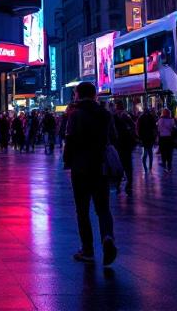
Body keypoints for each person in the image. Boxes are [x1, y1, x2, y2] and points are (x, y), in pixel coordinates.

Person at [64, 82, 117, 265]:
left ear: (78, 95)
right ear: (95, 95)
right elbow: (114, 138)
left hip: (80, 168)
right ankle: (107, 236)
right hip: (101, 167)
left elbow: (69, 140)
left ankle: (88, 250)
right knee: (103, 208)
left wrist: (67, 162)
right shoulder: (105, 114)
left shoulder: (75, 115)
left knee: (82, 210)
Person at [111, 101, 138, 195]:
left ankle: (119, 184)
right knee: (127, 165)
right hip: (126, 144)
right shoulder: (126, 115)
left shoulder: (114, 117)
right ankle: (128, 183)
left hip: (118, 145)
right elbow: (133, 126)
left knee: (119, 164)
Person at [136, 105, 157, 175]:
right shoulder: (151, 117)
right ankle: (150, 166)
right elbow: (154, 127)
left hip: (144, 138)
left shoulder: (141, 118)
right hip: (150, 137)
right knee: (150, 152)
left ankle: (145, 166)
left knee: (145, 152)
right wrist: (154, 137)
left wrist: (139, 137)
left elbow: (138, 128)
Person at [156, 107, 177, 173]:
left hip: (162, 138)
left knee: (163, 153)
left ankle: (164, 166)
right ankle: (169, 167)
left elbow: (159, 129)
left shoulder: (160, 120)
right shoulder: (171, 120)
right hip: (169, 138)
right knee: (169, 153)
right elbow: (172, 128)